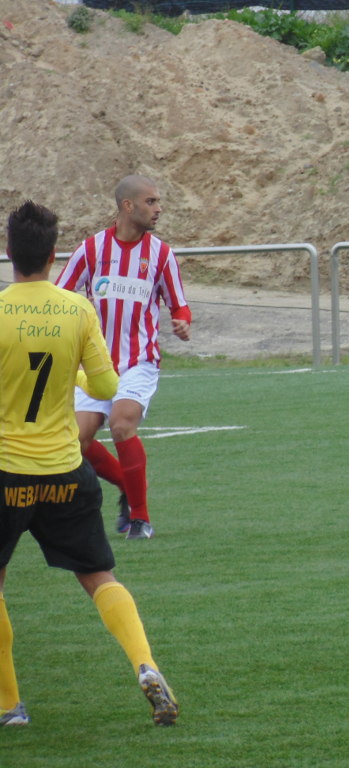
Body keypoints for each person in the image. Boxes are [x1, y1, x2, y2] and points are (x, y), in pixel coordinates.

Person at [0, 201, 178, 727]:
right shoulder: (77, 310)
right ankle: (144, 663)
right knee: (99, 575)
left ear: (9, 252)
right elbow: (105, 385)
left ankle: (9, 706)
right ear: (54, 255)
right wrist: (74, 376)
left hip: (8, 472)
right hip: (64, 471)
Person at [56, 175, 192, 539]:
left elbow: (179, 304)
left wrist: (182, 321)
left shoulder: (161, 254)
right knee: (76, 441)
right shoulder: (91, 249)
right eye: (151, 202)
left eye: (158, 201)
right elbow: (60, 295)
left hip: (138, 361)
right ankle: (127, 487)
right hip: (94, 364)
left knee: (121, 424)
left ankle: (140, 519)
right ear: (127, 206)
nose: (158, 209)